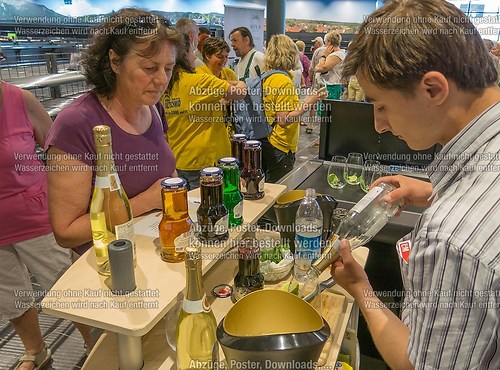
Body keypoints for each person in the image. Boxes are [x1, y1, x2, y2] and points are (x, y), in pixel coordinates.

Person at [330, 1, 500, 369]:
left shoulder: (452, 238)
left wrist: (361, 290)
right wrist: (435, 190)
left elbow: (418, 363)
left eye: (381, 105)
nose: (379, 125)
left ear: (434, 89)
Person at [45, 8, 182, 253]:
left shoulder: (153, 109)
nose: (162, 79)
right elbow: (66, 232)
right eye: (150, 68)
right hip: (109, 265)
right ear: (115, 61)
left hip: (158, 249)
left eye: (168, 68)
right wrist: (144, 202)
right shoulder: (77, 123)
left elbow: (164, 173)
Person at [0, 80, 93, 369]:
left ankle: (98, 348)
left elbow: (58, 153)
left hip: (37, 218)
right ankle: (36, 350)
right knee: (11, 294)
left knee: (67, 287)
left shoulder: (20, 100)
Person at [161, 34, 246, 189]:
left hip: (178, 160)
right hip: (204, 162)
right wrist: (240, 83)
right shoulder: (201, 80)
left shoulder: (165, 84)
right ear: (185, 55)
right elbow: (240, 93)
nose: (195, 57)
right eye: (192, 52)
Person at [260, 34, 327, 183]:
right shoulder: (283, 80)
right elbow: (284, 119)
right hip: (281, 144)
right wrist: (310, 101)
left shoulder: (269, 77)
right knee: (280, 190)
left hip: (268, 140)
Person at [314, 31, 346, 100]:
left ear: (328, 42)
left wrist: (324, 56)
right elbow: (317, 68)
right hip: (328, 85)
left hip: (332, 87)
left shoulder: (337, 55)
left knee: (329, 109)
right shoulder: (336, 54)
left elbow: (322, 68)